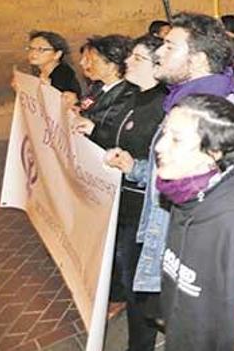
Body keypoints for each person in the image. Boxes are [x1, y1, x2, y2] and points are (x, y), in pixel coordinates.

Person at [108, 13, 234, 298]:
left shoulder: (217, 113)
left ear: (198, 59)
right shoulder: (181, 100)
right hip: (169, 237)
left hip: (190, 256)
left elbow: (226, 202)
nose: (159, 53)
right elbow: (176, 171)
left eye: (169, 46)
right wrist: (136, 168)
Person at [149, 94, 234, 350]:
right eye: (164, 133)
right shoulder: (185, 197)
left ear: (212, 153)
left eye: (176, 139)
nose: (160, 147)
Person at [102, 34, 167, 351]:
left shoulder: (163, 107)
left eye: (137, 58)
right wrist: (93, 130)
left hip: (141, 208)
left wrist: (133, 165)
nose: (128, 62)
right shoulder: (132, 96)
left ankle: (140, 345)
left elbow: (160, 163)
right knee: (127, 274)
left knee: (138, 283)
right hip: (119, 198)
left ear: (158, 66)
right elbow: (117, 134)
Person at [72, 35, 138, 149]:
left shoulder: (128, 94)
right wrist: (76, 106)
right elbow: (86, 106)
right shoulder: (98, 86)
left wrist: (91, 128)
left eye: (93, 61)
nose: (85, 64)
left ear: (112, 66)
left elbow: (111, 129)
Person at [24, 30, 82, 98]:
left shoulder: (64, 76)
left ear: (57, 54)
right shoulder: (37, 71)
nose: (33, 53)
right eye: (31, 48)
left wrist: (48, 89)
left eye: (41, 49)